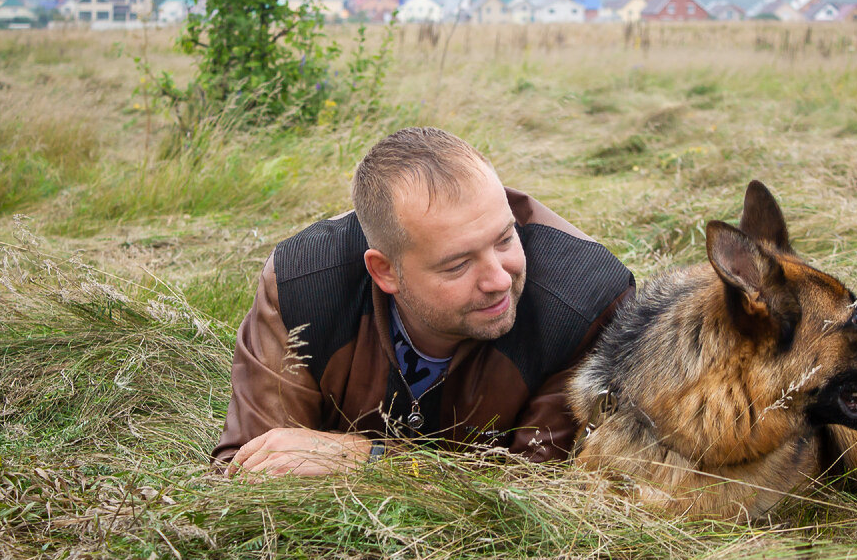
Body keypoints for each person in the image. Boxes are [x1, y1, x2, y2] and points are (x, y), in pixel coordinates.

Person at [214, 127, 634, 476]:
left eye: (505, 239)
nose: (499, 279)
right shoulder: (302, 284)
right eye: (458, 264)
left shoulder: (586, 301)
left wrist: (370, 460)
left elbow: (538, 499)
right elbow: (251, 470)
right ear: (384, 271)